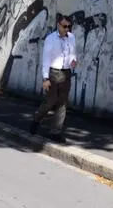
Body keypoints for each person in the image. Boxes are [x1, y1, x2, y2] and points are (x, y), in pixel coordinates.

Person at [29, 13, 77, 141]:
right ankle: (37, 118)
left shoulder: (71, 38)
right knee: (50, 101)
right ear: (58, 25)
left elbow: (73, 53)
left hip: (66, 72)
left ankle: (55, 132)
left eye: (69, 27)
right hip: (54, 72)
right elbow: (46, 58)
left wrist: (73, 60)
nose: (67, 29)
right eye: (65, 26)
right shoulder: (51, 39)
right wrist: (45, 78)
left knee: (62, 103)